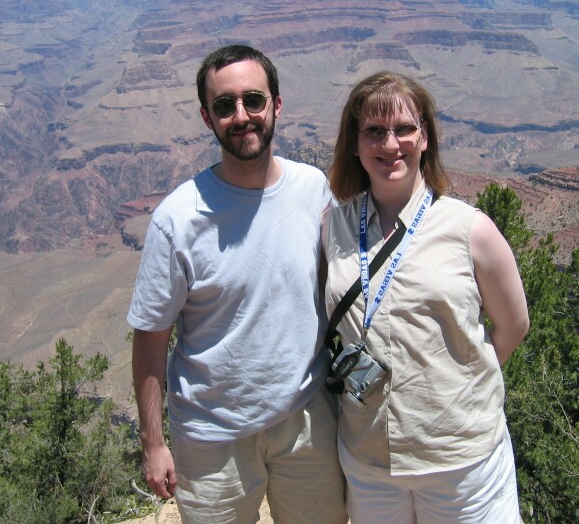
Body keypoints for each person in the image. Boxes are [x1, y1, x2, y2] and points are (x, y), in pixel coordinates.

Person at [128, 44, 347, 524]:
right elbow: (150, 341)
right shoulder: (177, 221)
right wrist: (153, 443)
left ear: (277, 105)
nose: (242, 116)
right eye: (225, 106)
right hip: (211, 439)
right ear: (207, 118)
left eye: (253, 99)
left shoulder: (313, 190)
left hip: (307, 419)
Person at [323, 71, 530, 523]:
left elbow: (514, 325)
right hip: (369, 457)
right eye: (374, 131)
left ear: (425, 138)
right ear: (355, 144)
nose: (390, 144)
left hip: (460, 460)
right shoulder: (333, 228)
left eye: (404, 129)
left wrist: (460, 390)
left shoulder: (469, 228)